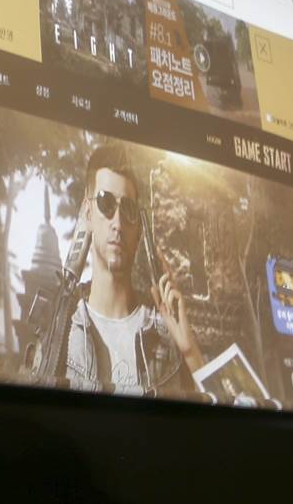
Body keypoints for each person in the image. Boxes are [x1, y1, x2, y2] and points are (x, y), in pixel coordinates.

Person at [24, 145, 205, 397]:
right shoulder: (61, 331)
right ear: (87, 213)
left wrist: (189, 352)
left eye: (128, 209)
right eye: (105, 202)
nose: (117, 222)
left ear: (139, 227)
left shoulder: (165, 329)